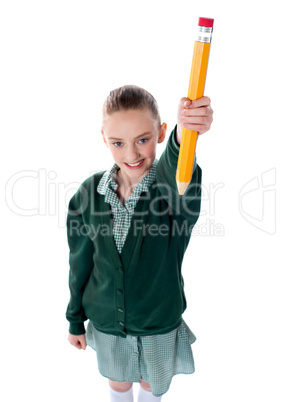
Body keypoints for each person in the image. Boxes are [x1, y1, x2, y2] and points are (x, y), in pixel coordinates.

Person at [66, 85, 213, 401]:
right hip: (107, 322)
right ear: (104, 138)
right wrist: (75, 317)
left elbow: (179, 172)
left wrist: (184, 134)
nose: (131, 154)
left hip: (157, 321)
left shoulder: (171, 193)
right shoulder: (89, 193)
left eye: (142, 140)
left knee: (150, 384)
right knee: (119, 383)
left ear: (160, 133)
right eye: (118, 143)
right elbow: (80, 261)